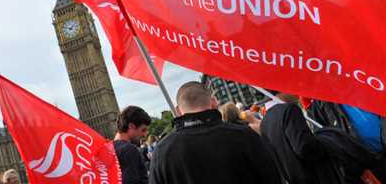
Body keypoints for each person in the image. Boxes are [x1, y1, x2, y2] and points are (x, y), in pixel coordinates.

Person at [149, 82, 282, 184]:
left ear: (178, 111)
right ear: (213, 102)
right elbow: (272, 177)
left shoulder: (162, 152)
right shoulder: (244, 135)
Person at [260, 92, 342, 184]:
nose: (296, 91)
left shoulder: (265, 122)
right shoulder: (289, 109)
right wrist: (324, 143)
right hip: (315, 177)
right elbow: (304, 147)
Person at [114, 105, 151, 184]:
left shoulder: (109, 149)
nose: (145, 134)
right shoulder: (129, 150)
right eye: (143, 130)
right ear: (131, 126)